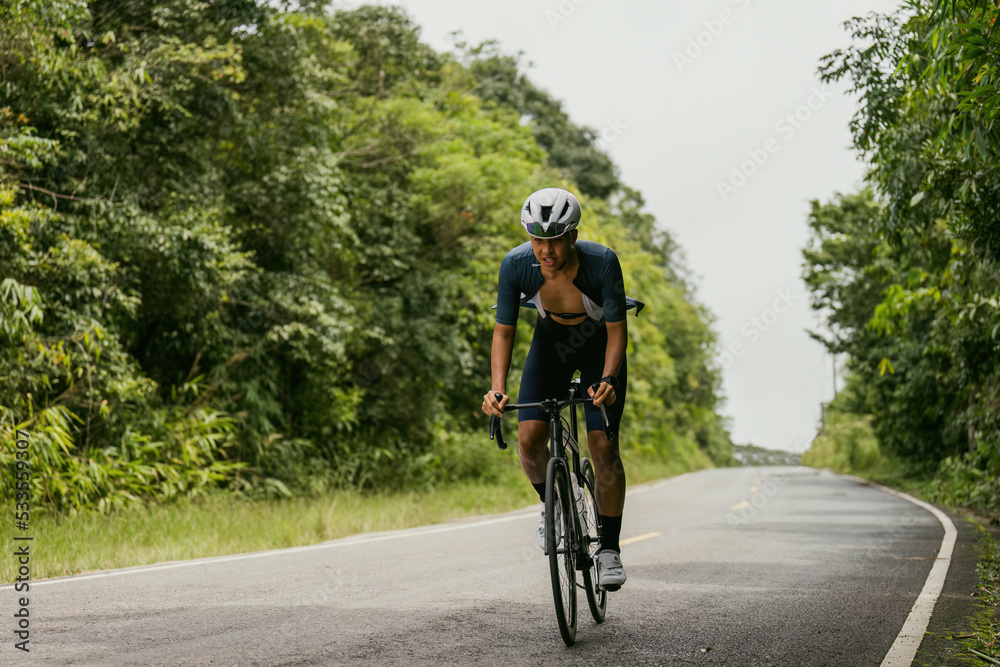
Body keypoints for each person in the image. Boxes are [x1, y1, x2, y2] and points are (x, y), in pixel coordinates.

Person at [482, 187, 642, 591]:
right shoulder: (516, 265)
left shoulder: (601, 262)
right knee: (529, 438)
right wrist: (496, 389)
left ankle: (609, 548)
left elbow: (616, 330)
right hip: (550, 345)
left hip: (597, 346)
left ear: (572, 236)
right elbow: (504, 333)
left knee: (603, 445)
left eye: (554, 239)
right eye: (537, 238)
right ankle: (551, 504)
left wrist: (607, 378)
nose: (546, 249)